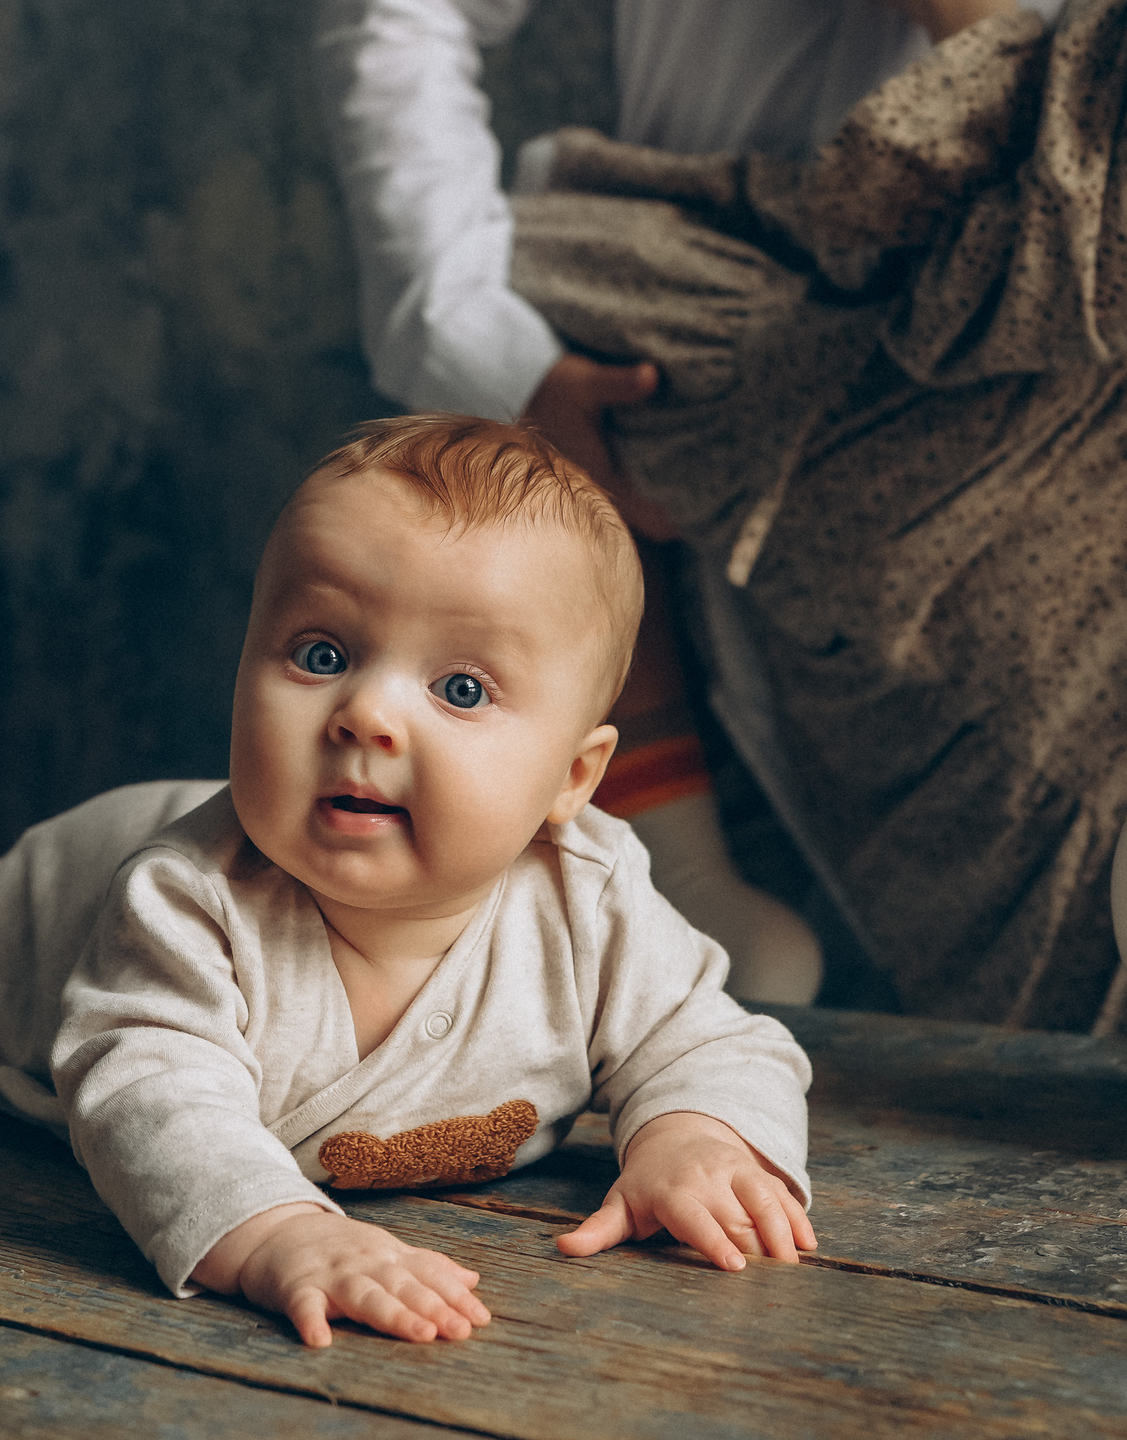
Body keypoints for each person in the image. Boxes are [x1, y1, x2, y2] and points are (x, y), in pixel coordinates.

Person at [0, 415, 813, 1348]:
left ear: (571, 779)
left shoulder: (587, 894)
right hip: (40, 926)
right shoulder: (185, 903)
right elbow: (151, 1091)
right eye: (319, 654)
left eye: (459, 687)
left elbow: (709, 1036)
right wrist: (276, 1235)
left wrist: (695, 1133)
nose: (365, 714)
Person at [313, 0, 1067, 1005]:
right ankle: (684, 873)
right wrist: (487, 350)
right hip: (657, 421)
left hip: (1021, 450)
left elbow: (1107, 162)